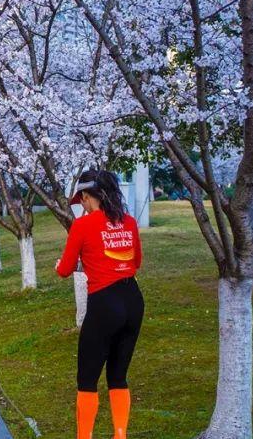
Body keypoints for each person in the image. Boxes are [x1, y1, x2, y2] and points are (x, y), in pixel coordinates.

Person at [56, 169, 144, 439]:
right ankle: (120, 434)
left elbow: (65, 269)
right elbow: (135, 261)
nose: (81, 204)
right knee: (118, 376)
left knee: (87, 378)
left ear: (86, 196)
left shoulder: (82, 226)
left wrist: (62, 265)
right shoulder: (128, 221)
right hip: (133, 301)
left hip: (104, 302)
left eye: (81, 199)